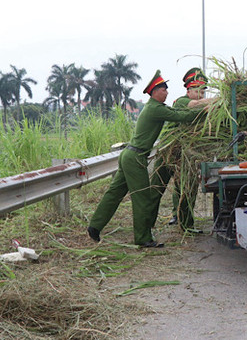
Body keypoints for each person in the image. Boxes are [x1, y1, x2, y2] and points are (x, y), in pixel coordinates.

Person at [87, 70, 201, 248]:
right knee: (143, 199)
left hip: (128, 155)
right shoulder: (155, 108)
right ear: (155, 91)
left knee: (115, 193)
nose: (167, 92)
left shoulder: (153, 107)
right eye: (164, 89)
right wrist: (206, 109)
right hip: (135, 157)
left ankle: (95, 226)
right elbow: (182, 117)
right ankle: (142, 238)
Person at [151, 68, 214, 232]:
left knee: (186, 186)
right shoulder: (181, 102)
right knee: (156, 188)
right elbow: (194, 105)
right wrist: (218, 101)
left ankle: (184, 222)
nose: (201, 95)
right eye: (197, 90)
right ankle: (147, 223)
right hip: (168, 150)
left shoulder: (204, 107)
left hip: (185, 153)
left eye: (203, 91)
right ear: (188, 90)